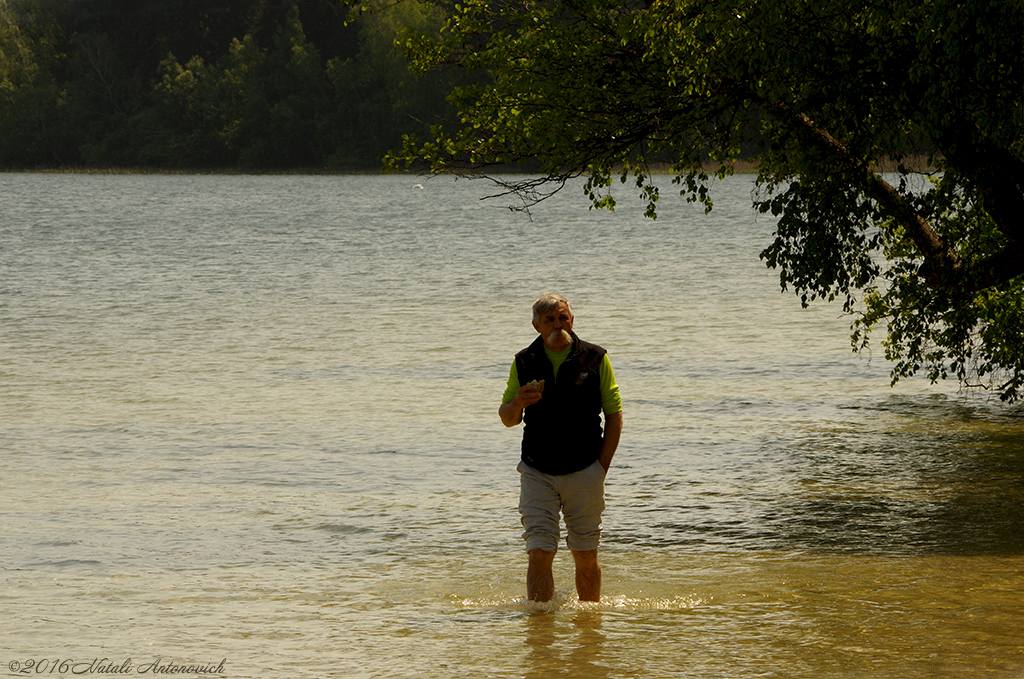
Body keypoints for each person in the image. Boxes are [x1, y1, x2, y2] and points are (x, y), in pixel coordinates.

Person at [499, 293, 623, 603]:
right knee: (539, 551)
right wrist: (518, 403)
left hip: (585, 469)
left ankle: (590, 624)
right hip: (536, 470)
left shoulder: (594, 358)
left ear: (572, 319)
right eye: (550, 320)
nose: (558, 324)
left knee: (584, 552)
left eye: (563, 317)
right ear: (536, 325)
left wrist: (600, 468)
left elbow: (614, 414)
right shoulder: (524, 361)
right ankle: (541, 631)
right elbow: (507, 418)